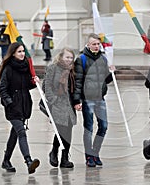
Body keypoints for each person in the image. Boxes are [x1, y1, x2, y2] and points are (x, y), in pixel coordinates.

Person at [0, 42, 40, 174]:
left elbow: (26, 86)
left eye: (23, 51)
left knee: (15, 134)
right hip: (13, 107)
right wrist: (10, 103)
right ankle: (28, 161)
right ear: (13, 53)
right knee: (21, 132)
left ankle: (6, 161)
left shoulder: (25, 67)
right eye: (19, 52)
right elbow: (3, 90)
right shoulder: (8, 69)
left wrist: (35, 82)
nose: (22, 54)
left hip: (24, 105)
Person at [73, 33, 113, 167]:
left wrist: (111, 73)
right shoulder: (82, 59)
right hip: (87, 99)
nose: (96, 46)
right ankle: (89, 155)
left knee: (104, 126)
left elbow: (106, 80)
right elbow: (78, 81)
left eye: (98, 44)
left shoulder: (103, 59)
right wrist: (77, 100)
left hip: (100, 98)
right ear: (88, 45)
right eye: (94, 44)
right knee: (89, 128)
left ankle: (95, 152)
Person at [44, 47, 77, 168]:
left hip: (69, 105)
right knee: (61, 130)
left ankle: (64, 158)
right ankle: (54, 151)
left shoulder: (73, 70)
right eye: (67, 57)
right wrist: (53, 100)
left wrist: (77, 101)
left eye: (71, 57)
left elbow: (76, 87)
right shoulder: (53, 68)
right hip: (58, 105)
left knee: (68, 132)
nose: (69, 60)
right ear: (61, 57)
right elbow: (46, 86)